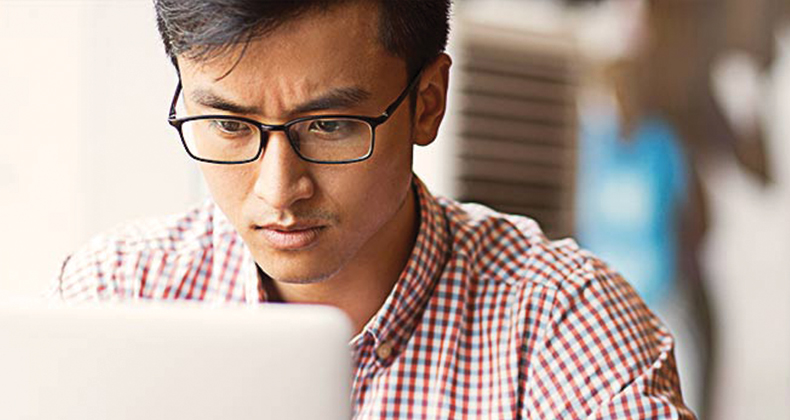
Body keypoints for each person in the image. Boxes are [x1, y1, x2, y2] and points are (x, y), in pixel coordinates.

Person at [50, 0, 695, 418]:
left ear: (428, 103)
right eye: (228, 124)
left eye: (329, 126)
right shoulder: (120, 294)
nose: (278, 191)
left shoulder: (562, 328)